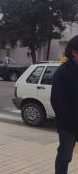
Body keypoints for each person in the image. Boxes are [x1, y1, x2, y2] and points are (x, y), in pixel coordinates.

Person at [51, 35, 78, 174]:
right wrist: (61, 126)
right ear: (74, 52)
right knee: (64, 157)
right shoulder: (62, 73)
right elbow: (57, 102)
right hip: (69, 126)